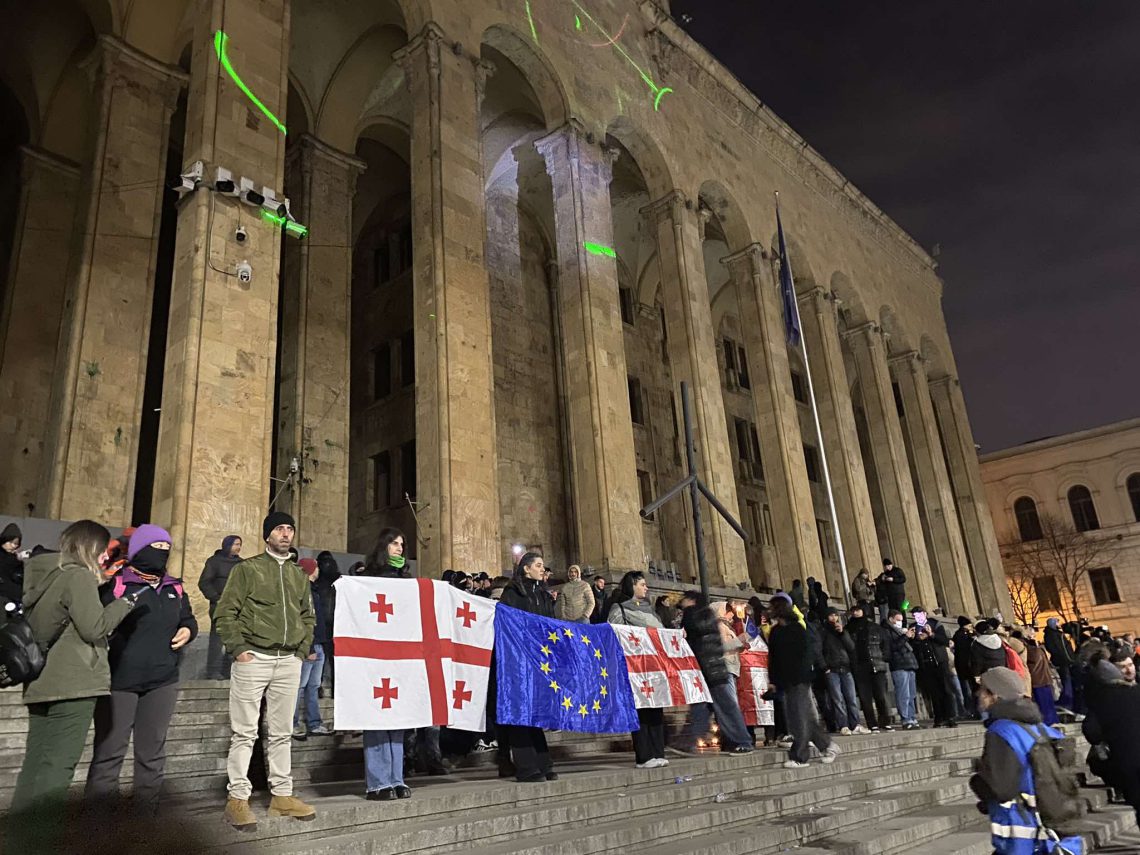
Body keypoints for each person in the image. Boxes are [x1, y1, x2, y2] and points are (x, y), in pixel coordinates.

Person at [9, 521, 139, 850]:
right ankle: (42, 843)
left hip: (40, 682)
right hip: (73, 683)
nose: (105, 556)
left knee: (35, 764)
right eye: (103, 549)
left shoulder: (43, 573)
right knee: (58, 767)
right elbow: (94, 627)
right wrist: (126, 602)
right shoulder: (78, 576)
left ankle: (18, 839)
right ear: (90, 547)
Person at [84, 525, 197, 814]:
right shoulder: (117, 583)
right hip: (119, 680)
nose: (162, 553)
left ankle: (146, 817)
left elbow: (188, 618)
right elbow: (97, 624)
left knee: (152, 754)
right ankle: (98, 820)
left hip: (162, 681)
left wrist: (188, 629)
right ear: (139, 549)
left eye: (166, 549)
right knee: (109, 752)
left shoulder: (174, 587)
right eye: (156, 547)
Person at [214, 511, 316, 830]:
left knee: (282, 732)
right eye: (279, 529)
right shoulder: (248, 569)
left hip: (288, 661)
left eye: (289, 529)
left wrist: (300, 651)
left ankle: (282, 796)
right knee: (245, 732)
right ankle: (237, 799)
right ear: (267, 535)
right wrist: (239, 649)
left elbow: (308, 616)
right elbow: (225, 612)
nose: (286, 534)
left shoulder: (298, 574)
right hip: (254, 658)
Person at [969, 667, 1069, 854]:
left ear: (994, 695)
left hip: (1021, 835)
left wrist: (978, 780)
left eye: (982, 690)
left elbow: (1002, 789)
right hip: (1051, 830)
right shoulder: (1042, 729)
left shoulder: (1001, 731)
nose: (977, 694)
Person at [356, 528, 416, 798]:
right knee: (377, 716)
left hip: (400, 657)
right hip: (374, 656)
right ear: (383, 546)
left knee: (397, 717)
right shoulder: (368, 578)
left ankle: (396, 778)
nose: (399, 547)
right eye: (394, 543)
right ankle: (378, 782)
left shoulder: (406, 580)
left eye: (402, 543)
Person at [498, 552, 559, 782]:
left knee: (536, 711)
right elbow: (508, 624)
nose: (543, 569)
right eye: (538, 565)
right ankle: (525, 766)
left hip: (540, 661)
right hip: (519, 660)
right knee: (520, 711)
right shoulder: (513, 593)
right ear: (526, 568)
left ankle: (543, 762)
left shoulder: (543, 594)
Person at [673, 590, 753, 755]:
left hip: (711, 669)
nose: (682, 603)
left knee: (726, 707)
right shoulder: (706, 616)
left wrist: (685, 614)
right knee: (701, 708)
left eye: (685, 600)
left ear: (692, 601)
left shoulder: (697, 615)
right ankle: (688, 742)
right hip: (708, 668)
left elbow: (693, 633)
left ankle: (743, 741)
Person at [768, 596, 839, 769]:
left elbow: (807, 654)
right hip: (786, 680)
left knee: (798, 717)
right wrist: (773, 680)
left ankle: (800, 756)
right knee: (802, 716)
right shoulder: (775, 631)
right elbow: (773, 658)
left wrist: (803, 674)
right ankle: (827, 745)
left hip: (799, 678)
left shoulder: (797, 628)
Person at [607, 571, 667, 769]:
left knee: (656, 708)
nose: (646, 587)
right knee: (641, 709)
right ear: (632, 586)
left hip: (653, 666)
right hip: (635, 667)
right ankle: (644, 756)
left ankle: (658, 752)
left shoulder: (651, 609)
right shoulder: (619, 608)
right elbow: (614, 633)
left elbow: (662, 632)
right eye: (642, 584)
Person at [293, 558, 334, 740]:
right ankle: (292, 723)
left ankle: (314, 723)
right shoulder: (302, 592)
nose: (318, 570)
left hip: (319, 644)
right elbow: (303, 621)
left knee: (313, 686)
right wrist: (308, 647)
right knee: (299, 686)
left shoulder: (314, 590)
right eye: (315, 567)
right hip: (309, 645)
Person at [198, 534, 242, 680]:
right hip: (219, 605)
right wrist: (216, 598)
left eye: (239, 544)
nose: (238, 547)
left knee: (234, 637)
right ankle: (213, 671)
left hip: (237, 606)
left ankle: (229, 670)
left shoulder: (242, 564)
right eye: (235, 544)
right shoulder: (214, 562)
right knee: (217, 639)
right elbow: (204, 582)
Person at [821, 608, 868, 734]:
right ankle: (843, 725)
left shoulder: (843, 631)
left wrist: (842, 633)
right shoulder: (823, 632)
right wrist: (824, 666)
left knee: (851, 698)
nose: (834, 618)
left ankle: (855, 724)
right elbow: (819, 650)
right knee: (838, 699)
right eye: (831, 615)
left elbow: (851, 647)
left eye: (836, 615)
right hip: (832, 669)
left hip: (846, 668)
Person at [847, 603, 892, 731]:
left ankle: (885, 721)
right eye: (853, 611)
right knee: (865, 698)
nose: (855, 613)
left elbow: (885, 643)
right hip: (860, 667)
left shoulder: (875, 627)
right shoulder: (849, 628)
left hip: (877, 664)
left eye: (858, 610)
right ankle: (872, 723)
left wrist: (884, 657)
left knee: (881, 695)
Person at [909, 606, 956, 727]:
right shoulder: (913, 627)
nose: (917, 618)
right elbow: (912, 645)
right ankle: (939, 717)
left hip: (939, 661)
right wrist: (916, 638)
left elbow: (944, 640)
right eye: (915, 616)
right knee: (933, 691)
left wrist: (931, 634)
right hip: (925, 663)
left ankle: (950, 716)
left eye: (919, 615)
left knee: (946, 689)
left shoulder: (935, 624)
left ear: (925, 614)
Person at [884, 609, 920, 729]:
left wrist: (911, 637)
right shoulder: (887, 631)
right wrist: (905, 637)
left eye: (901, 620)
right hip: (899, 665)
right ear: (891, 619)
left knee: (911, 694)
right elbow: (892, 647)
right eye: (898, 620)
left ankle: (912, 717)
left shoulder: (901, 631)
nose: (900, 622)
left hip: (909, 663)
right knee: (903, 693)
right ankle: (905, 719)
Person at [1023, 629, 1059, 726]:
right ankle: (1052, 721)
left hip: (1038, 680)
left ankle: (1048, 722)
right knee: (1048, 704)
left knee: (1043, 704)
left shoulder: (1032, 651)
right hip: (1044, 678)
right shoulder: (1040, 649)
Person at [1043, 617, 1076, 712]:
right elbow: (1060, 648)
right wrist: (1068, 658)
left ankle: (1067, 699)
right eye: (1057, 622)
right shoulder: (1053, 635)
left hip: (1063, 660)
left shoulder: (1054, 634)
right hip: (1062, 661)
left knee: (1066, 680)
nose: (1059, 624)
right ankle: (1067, 701)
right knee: (1066, 680)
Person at [951, 617, 978, 717]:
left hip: (963, 667)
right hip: (965, 667)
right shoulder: (961, 635)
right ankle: (970, 710)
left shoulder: (961, 635)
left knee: (968, 690)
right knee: (968, 691)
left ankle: (971, 710)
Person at [0, 521, 24, 609]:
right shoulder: (10, 558)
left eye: (16, 544)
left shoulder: (15, 558)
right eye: (10, 542)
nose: (13, 546)